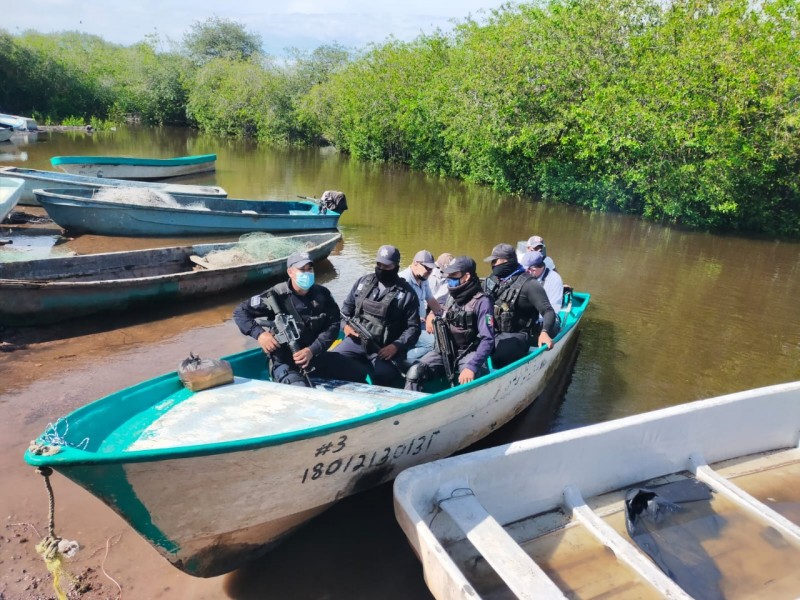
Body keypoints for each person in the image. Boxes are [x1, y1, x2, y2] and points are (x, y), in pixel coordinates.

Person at [233, 250, 343, 387]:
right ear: (290, 272)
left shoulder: (322, 294)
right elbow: (240, 312)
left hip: (314, 356)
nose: (307, 273)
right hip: (285, 363)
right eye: (302, 270)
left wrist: (312, 350)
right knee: (300, 390)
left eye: (310, 269)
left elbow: (333, 324)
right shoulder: (275, 295)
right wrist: (260, 334)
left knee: (357, 370)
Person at [333, 244, 421, 388]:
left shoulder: (407, 294)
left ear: (396, 266)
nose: (381, 269)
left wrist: (396, 346)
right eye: (379, 264)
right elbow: (345, 311)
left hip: (384, 348)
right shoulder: (363, 283)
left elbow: (413, 328)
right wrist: (346, 328)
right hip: (357, 341)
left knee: (384, 375)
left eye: (386, 266)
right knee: (334, 360)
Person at [405, 256, 495, 391]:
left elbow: (488, 339)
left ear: (466, 276)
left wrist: (472, 366)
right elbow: (439, 309)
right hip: (445, 350)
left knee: (469, 380)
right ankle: (409, 407)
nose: (449, 278)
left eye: (454, 275)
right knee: (415, 372)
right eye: (448, 274)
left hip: (469, 352)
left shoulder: (482, 301)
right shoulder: (452, 295)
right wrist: (431, 315)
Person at [483, 243, 558, 368]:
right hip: (492, 330)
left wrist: (545, 332)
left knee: (500, 355)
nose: (492, 265)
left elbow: (548, 311)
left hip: (517, 335)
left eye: (495, 261)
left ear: (507, 261)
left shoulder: (530, 285)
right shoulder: (493, 278)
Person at [399, 250, 445, 361]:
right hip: (405, 327)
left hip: (419, 323)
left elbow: (430, 299)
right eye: (427, 268)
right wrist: (414, 318)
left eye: (432, 269)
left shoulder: (423, 279)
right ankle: (405, 359)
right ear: (415, 264)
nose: (430, 272)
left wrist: (441, 313)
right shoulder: (403, 281)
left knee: (445, 336)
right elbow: (396, 311)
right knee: (436, 342)